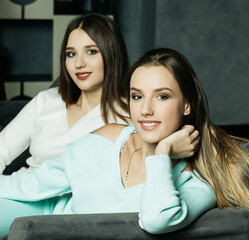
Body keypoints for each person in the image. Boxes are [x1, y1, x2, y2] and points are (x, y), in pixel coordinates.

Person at [1, 48, 248, 236]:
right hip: (41, 216)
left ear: (186, 105)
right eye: (137, 96)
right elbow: (34, 184)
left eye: (162, 96)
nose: (146, 109)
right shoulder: (107, 137)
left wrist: (162, 154)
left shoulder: (197, 178)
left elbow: (156, 220)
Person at [0, 13, 130, 174]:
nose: (79, 63)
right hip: (25, 191)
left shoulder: (128, 114)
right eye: (71, 54)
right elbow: (1, 149)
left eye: (91, 52)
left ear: (112, 54)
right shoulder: (46, 101)